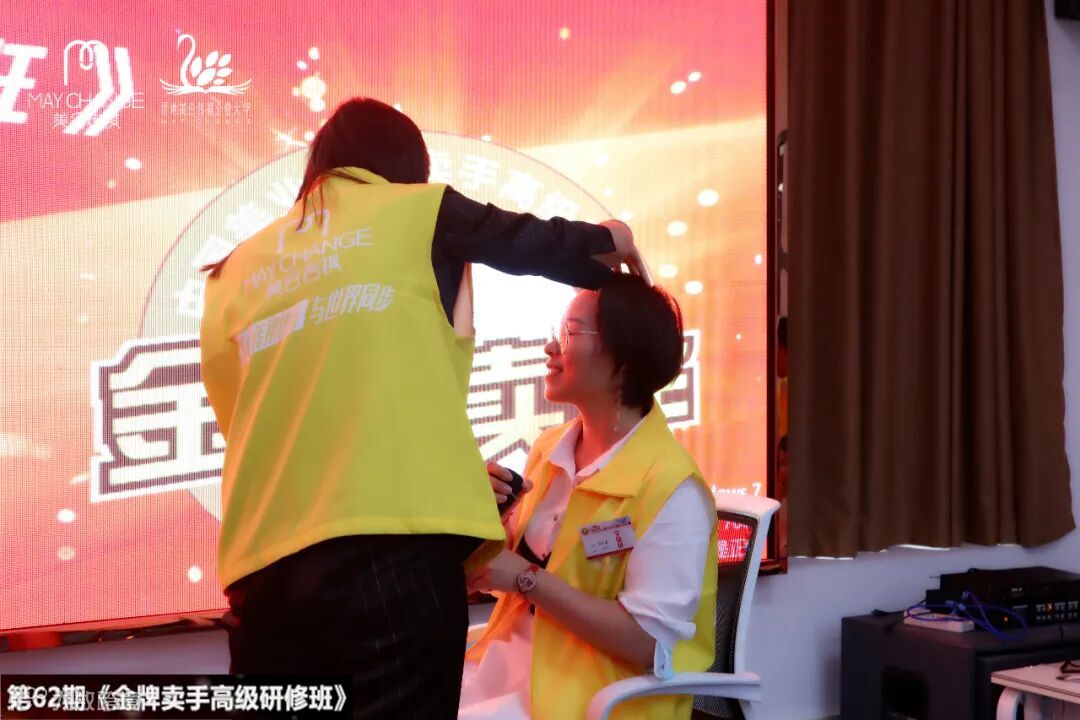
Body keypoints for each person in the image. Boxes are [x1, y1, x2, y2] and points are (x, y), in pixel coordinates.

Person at [198, 97, 646, 718]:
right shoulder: (416, 212)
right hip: (392, 555)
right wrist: (612, 240)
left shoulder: (232, 270)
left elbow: (239, 419)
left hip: (262, 569)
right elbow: (529, 241)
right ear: (405, 168)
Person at [460, 275, 718, 720]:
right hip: (509, 663)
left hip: (591, 693)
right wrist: (481, 519)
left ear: (623, 361)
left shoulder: (672, 487)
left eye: (570, 333)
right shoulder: (550, 449)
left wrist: (525, 578)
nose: (550, 348)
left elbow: (646, 641)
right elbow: (492, 570)